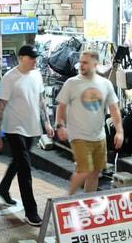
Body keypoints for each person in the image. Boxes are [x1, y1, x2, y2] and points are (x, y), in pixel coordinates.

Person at [0, 45, 53, 226]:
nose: (35, 61)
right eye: (31, 58)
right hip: (14, 129)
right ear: (21, 58)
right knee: (25, 167)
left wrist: (47, 123)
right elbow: (1, 107)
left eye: (36, 58)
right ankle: (31, 211)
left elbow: (41, 100)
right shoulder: (9, 78)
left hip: (32, 127)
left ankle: (3, 188)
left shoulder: (36, 74)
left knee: (19, 162)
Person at [53, 50, 124, 195]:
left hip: (99, 136)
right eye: (81, 62)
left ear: (95, 64)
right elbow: (61, 106)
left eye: (85, 62)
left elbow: (114, 109)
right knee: (84, 170)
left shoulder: (105, 84)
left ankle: (87, 202)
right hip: (78, 135)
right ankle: (68, 200)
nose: (81, 65)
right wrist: (60, 125)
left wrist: (120, 131)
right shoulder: (72, 83)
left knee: (95, 173)